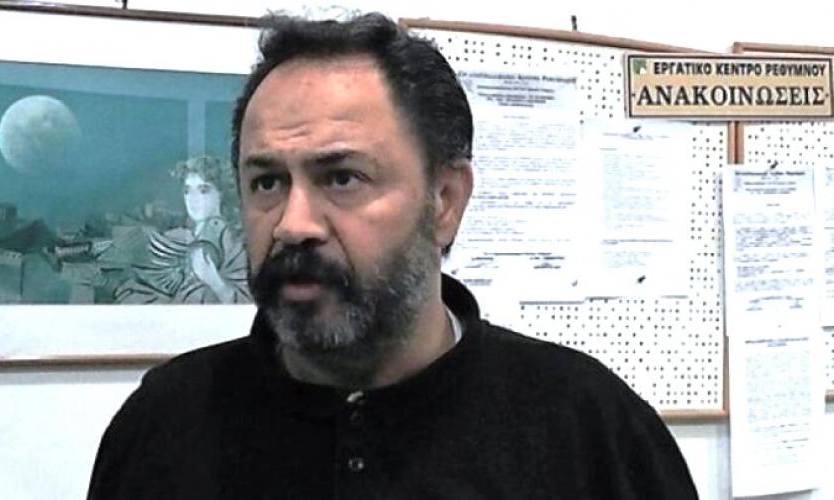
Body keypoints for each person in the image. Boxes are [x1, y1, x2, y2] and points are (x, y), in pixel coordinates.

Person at [88, 13, 698, 499]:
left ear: (445, 200)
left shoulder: (589, 429)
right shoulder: (165, 424)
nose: (294, 225)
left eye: (342, 177)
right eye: (267, 182)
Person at [115, 155, 250, 304]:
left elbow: (251, 305)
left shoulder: (239, 246)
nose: (193, 199)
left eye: (203, 190)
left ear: (221, 193)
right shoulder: (175, 238)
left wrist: (216, 283)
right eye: (187, 191)